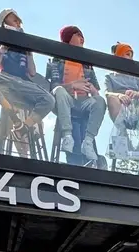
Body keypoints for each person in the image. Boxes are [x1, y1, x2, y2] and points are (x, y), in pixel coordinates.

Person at [0, 9, 54, 153]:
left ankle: (22, 128)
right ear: (5, 23)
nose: (17, 22)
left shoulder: (24, 41)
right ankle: (9, 110)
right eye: (13, 19)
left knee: (49, 99)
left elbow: (32, 72)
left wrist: (29, 52)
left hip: (23, 84)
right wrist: (3, 47)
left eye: (18, 19)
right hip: (6, 80)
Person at [46, 26, 107, 163]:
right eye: (78, 34)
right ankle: (68, 137)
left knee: (100, 101)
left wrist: (92, 89)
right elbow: (54, 88)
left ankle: (88, 142)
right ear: (69, 38)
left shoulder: (86, 63)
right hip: (67, 101)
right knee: (60, 91)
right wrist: (73, 85)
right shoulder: (57, 59)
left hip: (85, 102)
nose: (82, 38)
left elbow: (96, 91)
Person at [105, 43, 139, 162]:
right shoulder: (110, 77)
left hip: (138, 110)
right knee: (111, 98)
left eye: (132, 55)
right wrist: (119, 95)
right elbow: (107, 92)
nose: (131, 58)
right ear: (119, 56)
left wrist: (137, 94)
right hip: (120, 109)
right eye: (127, 54)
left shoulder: (137, 77)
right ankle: (124, 143)